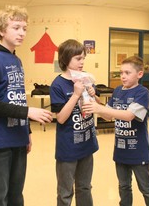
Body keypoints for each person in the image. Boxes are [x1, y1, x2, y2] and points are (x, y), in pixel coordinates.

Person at [0, 5, 53, 206]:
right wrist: (28, 112)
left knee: (16, 195)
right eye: (16, 27)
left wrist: (26, 131)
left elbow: (17, 96)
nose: (22, 33)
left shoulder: (16, 60)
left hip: (17, 136)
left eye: (24, 28)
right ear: (2, 30)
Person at [82, 56, 149, 206]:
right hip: (121, 151)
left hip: (138, 151)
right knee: (124, 186)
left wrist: (99, 108)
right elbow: (108, 114)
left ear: (140, 74)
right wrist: (94, 101)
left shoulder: (142, 92)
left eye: (127, 73)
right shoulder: (117, 91)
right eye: (121, 72)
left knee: (146, 188)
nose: (123, 76)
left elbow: (129, 116)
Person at [49, 39, 99, 206]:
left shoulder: (86, 78)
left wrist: (93, 94)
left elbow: (96, 106)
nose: (82, 62)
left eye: (83, 58)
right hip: (68, 147)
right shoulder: (57, 85)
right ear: (65, 59)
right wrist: (76, 95)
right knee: (65, 192)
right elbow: (61, 118)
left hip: (87, 143)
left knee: (85, 187)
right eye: (78, 58)